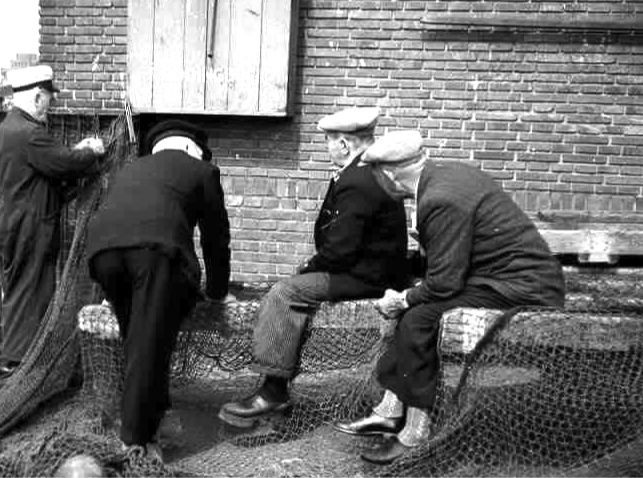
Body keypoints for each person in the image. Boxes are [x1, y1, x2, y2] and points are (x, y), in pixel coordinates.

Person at [333, 130, 566, 465]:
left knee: (418, 317)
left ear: (388, 174)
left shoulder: (439, 199)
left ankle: (415, 433)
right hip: (506, 277)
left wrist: (401, 299)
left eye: (375, 175)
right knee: (417, 312)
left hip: (524, 286)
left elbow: (443, 283)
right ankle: (390, 408)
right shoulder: (447, 175)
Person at [218, 107, 410, 428]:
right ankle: (275, 389)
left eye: (329, 141)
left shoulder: (358, 181)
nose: (327, 147)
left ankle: (273, 391)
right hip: (369, 269)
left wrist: (305, 269)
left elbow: (340, 251)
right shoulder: (366, 173)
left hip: (367, 276)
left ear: (344, 145)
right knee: (293, 285)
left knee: (284, 293)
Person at [85, 119, 234, 461]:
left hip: (102, 256)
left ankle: (155, 412)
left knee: (136, 339)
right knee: (148, 344)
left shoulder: (132, 168)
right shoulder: (203, 172)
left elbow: (113, 214)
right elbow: (216, 240)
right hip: (154, 256)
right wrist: (216, 292)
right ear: (190, 149)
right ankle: (135, 441)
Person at [0, 65, 105, 375]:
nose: (50, 105)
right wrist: (91, 151)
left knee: (16, 291)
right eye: (49, 98)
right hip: (26, 226)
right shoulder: (29, 133)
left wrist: (74, 152)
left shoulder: (10, 126)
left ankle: (15, 359)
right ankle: (16, 367)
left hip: (7, 221)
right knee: (30, 292)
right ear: (38, 97)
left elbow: (49, 164)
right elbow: (64, 163)